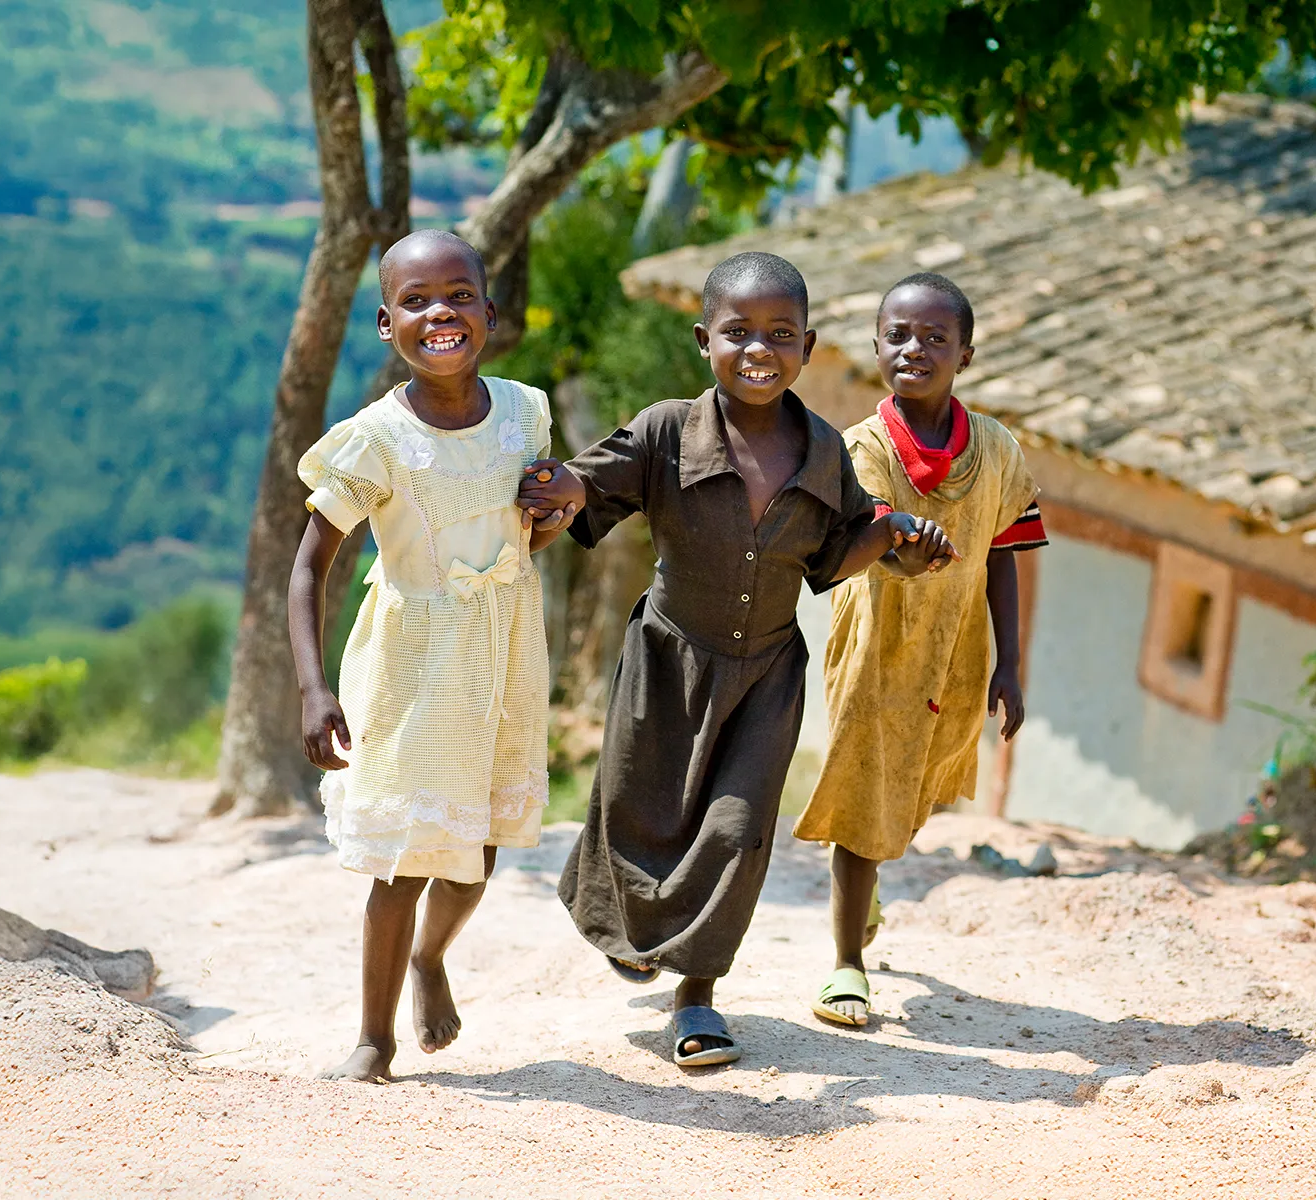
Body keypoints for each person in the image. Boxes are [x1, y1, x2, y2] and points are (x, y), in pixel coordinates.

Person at [518, 251, 954, 1068]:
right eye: (738, 332)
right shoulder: (665, 430)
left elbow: (835, 557)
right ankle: (628, 926)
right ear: (702, 339)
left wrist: (898, 540)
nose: (760, 349)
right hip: (667, 658)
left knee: (739, 828)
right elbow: (590, 484)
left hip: (765, 676)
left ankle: (697, 1000)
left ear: (810, 346)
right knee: (636, 806)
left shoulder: (825, 452)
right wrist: (563, 488)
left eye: (780, 334)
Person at [288, 229, 579, 1083]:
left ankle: (431, 959)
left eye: (458, 295)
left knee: (477, 849)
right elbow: (310, 566)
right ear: (387, 324)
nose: (439, 312)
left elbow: (524, 544)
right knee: (408, 859)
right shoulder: (374, 439)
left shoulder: (526, 411)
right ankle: (373, 1038)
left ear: (491, 312)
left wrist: (553, 515)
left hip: (504, 662)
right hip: (412, 669)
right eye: (416, 301)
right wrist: (312, 688)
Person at [793, 272, 1047, 1028]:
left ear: (965, 355)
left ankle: (861, 898)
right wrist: (906, 544)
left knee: (914, 793)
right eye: (898, 335)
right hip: (876, 644)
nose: (915, 349)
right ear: (875, 347)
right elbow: (880, 547)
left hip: (957, 651)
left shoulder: (998, 451)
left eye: (936, 338)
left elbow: (1004, 551)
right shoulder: (859, 449)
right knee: (866, 792)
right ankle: (846, 961)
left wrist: (1009, 661)